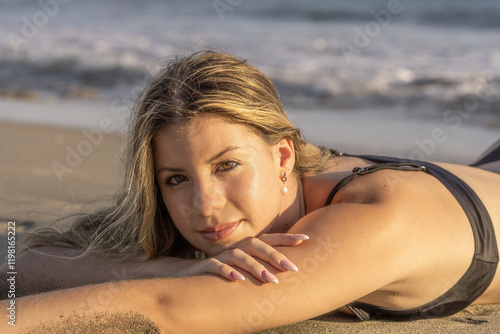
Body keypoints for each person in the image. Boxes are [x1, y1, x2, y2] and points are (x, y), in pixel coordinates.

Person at [1, 50, 499, 333]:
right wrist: (169, 268)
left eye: (227, 166)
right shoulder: (238, 206)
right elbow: (20, 265)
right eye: (176, 178)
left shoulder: (373, 220)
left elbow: (165, 309)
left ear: (283, 157)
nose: (204, 204)